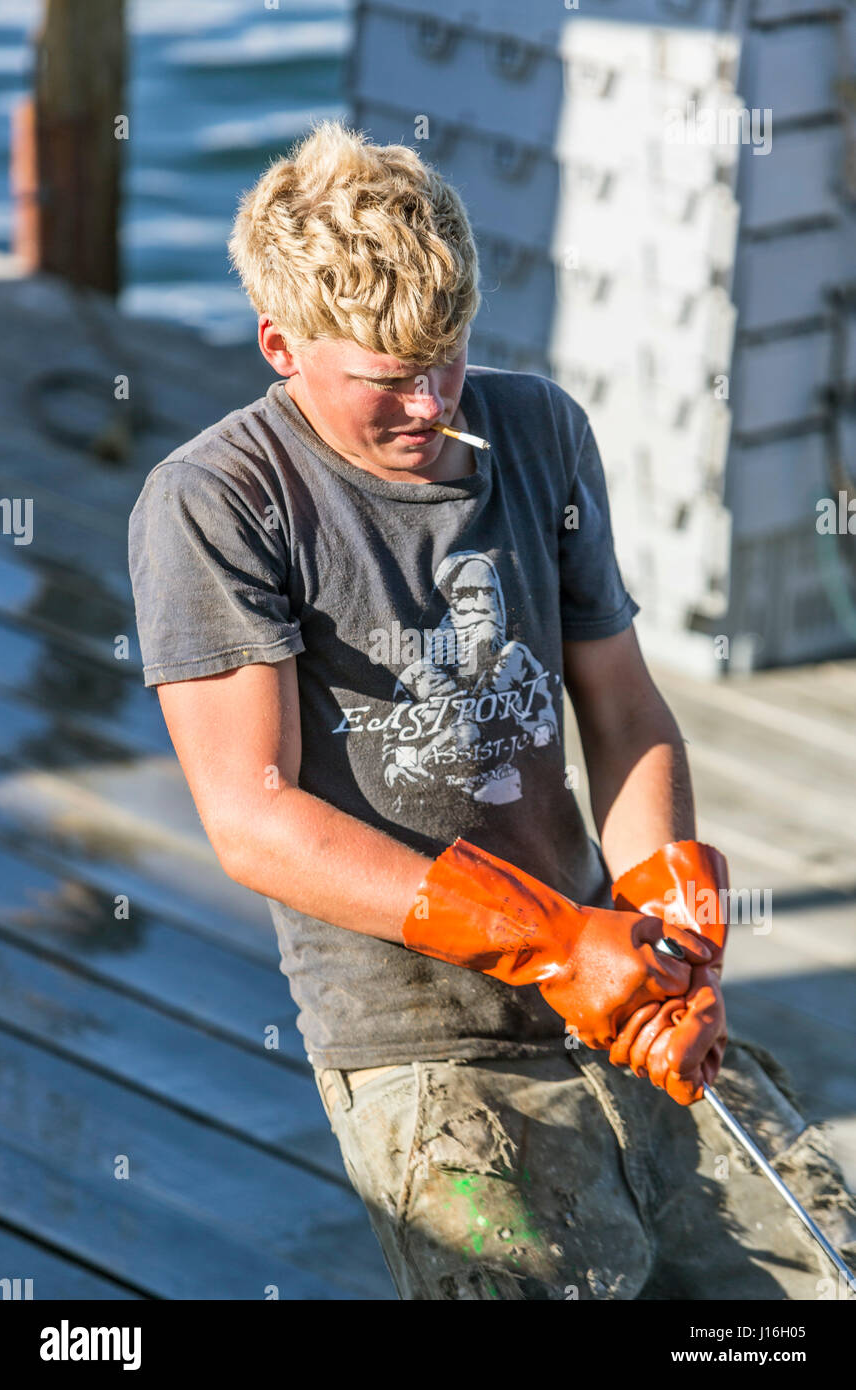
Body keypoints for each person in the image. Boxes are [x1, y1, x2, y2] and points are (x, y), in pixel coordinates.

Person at [128, 119, 856, 1300]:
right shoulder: (213, 500)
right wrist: (557, 942)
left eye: (448, 356)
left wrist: (673, 926)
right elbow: (251, 819)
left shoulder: (537, 430)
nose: (428, 404)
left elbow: (620, 709)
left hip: (612, 975)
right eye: (385, 378)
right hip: (414, 1030)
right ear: (280, 345)